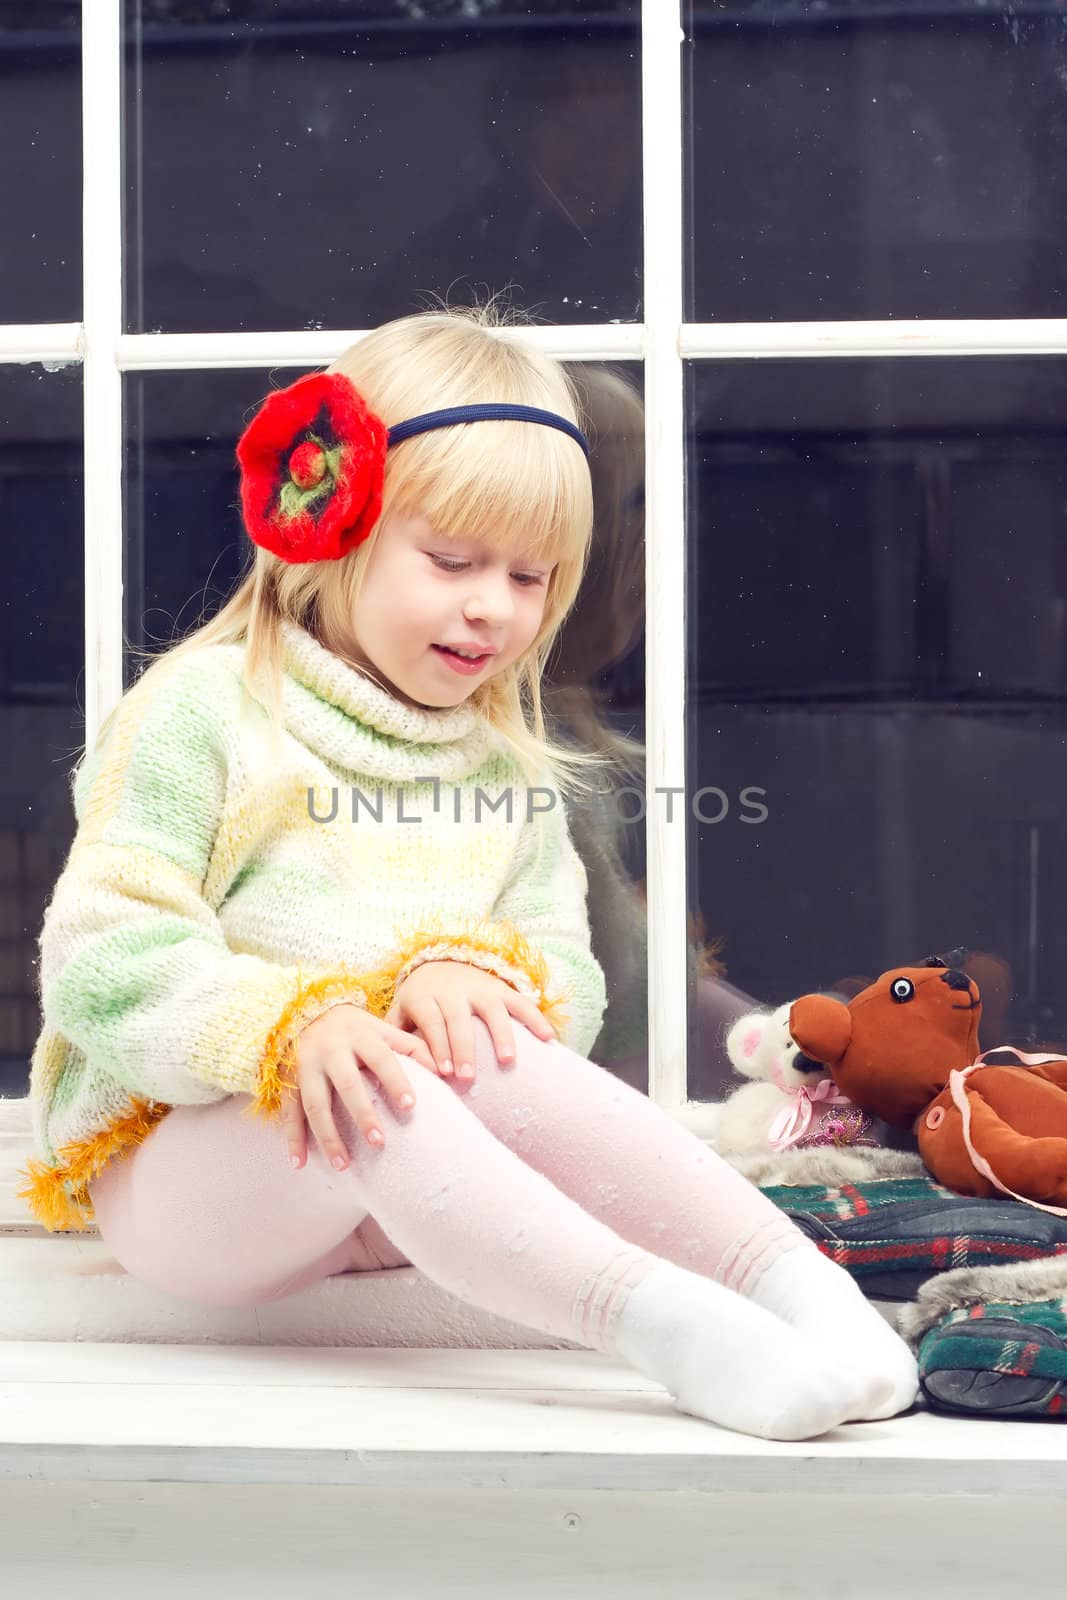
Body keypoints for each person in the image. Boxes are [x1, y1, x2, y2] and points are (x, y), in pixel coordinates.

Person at [16, 303, 917, 1442]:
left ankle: (803, 1293)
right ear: (332, 527)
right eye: (450, 561)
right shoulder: (202, 712)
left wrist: (470, 970)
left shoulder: (502, 758)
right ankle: (668, 1325)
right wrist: (288, 1028)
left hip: (409, 1185)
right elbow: (104, 953)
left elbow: (568, 976)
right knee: (377, 1082)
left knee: (495, 1046)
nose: (492, 605)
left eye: (530, 576)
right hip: (196, 1177)